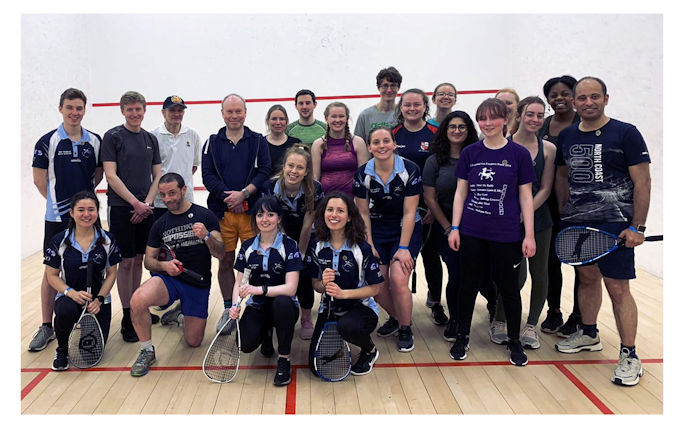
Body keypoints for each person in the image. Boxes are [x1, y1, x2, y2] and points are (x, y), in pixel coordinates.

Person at [554, 77, 651, 386]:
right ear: (574, 102)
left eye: (594, 96)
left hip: (616, 223)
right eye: (581, 98)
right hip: (579, 222)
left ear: (606, 98)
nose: (588, 102)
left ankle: (630, 354)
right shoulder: (567, 135)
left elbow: (643, 182)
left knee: (618, 288)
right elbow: (562, 175)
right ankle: (589, 333)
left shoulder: (626, 133)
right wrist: (563, 213)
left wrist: (637, 226)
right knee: (586, 278)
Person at [448, 98, 536, 366]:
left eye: (493, 118)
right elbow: (461, 192)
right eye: (482, 118)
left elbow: (526, 197)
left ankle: (514, 341)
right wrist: (455, 227)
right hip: (472, 232)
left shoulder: (518, 154)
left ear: (506, 120)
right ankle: (462, 337)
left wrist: (529, 235)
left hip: (507, 234)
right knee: (468, 285)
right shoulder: (470, 153)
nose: (487, 123)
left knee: (509, 289)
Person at [29, 88, 104, 352]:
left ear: (84, 110)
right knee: (52, 271)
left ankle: (87, 316)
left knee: (92, 266)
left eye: (79, 108)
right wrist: (62, 209)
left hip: (87, 218)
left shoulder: (94, 141)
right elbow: (40, 181)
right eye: (70, 107)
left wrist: (82, 210)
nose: (74, 113)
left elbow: (96, 176)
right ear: (60, 108)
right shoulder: (46, 142)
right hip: (57, 218)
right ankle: (46, 326)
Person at [128, 173, 225, 377]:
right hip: (169, 280)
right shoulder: (159, 224)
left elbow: (221, 253)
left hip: (197, 284)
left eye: (172, 193)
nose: (168, 199)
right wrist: (164, 266)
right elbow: (148, 260)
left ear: (184, 190)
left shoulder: (205, 216)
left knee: (193, 342)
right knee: (137, 300)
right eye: (163, 195)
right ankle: (147, 350)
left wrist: (207, 236)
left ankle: (178, 314)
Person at [488, 97, 556, 349]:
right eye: (530, 114)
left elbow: (546, 189)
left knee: (540, 274)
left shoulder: (548, 149)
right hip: (506, 222)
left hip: (539, 221)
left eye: (540, 115)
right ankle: (500, 320)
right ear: (519, 114)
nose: (535, 120)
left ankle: (531, 326)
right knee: (513, 276)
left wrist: (523, 213)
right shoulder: (502, 144)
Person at [422, 111, 497, 341]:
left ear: (469, 130)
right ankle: (456, 320)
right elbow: (430, 198)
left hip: (477, 227)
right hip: (444, 227)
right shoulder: (434, 160)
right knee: (457, 274)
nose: (456, 131)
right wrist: (448, 228)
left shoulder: (479, 156)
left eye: (462, 127)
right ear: (445, 131)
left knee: (483, 274)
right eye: (452, 127)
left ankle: (495, 306)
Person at [201, 93, 272, 333]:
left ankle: (255, 308)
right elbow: (207, 176)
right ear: (222, 114)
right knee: (226, 261)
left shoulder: (258, 140)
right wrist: (228, 196)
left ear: (245, 113)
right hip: (223, 214)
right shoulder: (212, 142)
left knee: (256, 263)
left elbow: (265, 170)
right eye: (229, 112)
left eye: (238, 111)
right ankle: (228, 309)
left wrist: (244, 193)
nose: (234, 116)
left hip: (252, 213)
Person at [353, 127, 422, 352]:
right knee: (378, 284)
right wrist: (369, 244)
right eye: (376, 142)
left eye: (386, 141)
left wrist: (403, 248)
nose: (381, 145)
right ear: (370, 147)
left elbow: (410, 212)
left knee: (399, 278)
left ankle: (404, 328)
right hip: (377, 230)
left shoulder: (410, 169)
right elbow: (363, 213)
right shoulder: (363, 173)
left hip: (405, 228)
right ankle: (398, 316)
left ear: (394, 144)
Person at [101, 90, 162, 342]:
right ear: (122, 111)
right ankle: (127, 315)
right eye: (130, 110)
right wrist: (134, 203)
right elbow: (110, 175)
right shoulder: (113, 137)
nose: (135, 113)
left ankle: (138, 306)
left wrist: (146, 203)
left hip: (145, 208)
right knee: (125, 263)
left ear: (144, 111)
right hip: (121, 208)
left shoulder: (150, 139)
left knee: (139, 261)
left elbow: (157, 175)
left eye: (139, 109)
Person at [306, 191, 384, 376]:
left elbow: (376, 287)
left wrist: (344, 294)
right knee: (316, 368)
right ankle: (340, 337)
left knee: (348, 327)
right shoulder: (316, 244)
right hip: (330, 309)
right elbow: (315, 285)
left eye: (340, 211)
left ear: (349, 217)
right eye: (329, 210)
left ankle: (370, 350)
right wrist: (324, 285)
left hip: (361, 309)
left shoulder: (362, 248)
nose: (334, 215)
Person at [229, 195, 302, 386]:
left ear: (279, 218)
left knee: (283, 303)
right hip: (258, 307)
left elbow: (291, 288)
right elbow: (239, 283)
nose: (265, 219)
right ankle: (267, 333)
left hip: (284, 305)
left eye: (270, 214)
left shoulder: (290, 245)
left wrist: (259, 289)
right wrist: (235, 305)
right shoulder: (247, 247)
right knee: (245, 344)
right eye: (260, 214)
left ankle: (284, 359)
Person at [44, 191, 120, 371]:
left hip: (97, 302)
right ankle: (62, 349)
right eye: (81, 210)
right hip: (70, 297)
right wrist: (70, 292)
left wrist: (99, 299)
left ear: (97, 211)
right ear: (71, 213)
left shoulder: (108, 239)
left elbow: (111, 274)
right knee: (64, 310)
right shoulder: (59, 241)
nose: (86, 214)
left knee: (88, 357)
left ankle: (87, 321)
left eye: (91, 209)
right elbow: (51, 276)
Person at [392, 89, 445, 325]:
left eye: (417, 105)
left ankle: (435, 301)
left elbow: (441, 170)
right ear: (401, 107)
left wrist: (434, 209)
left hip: (429, 208)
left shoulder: (435, 133)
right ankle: (397, 312)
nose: (412, 109)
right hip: (399, 209)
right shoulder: (393, 134)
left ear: (425, 106)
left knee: (431, 257)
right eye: (407, 105)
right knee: (400, 260)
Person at [262, 145, 324, 340]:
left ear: (306, 171)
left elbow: (308, 223)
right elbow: (271, 220)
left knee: (304, 272)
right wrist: (282, 249)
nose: (294, 171)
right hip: (278, 234)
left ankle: (306, 317)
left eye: (299, 168)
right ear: (284, 166)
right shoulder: (270, 187)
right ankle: (272, 318)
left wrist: (300, 254)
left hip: (306, 236)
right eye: (290, 166)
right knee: (276, 270)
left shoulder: (315, 188)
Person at [538, 75, 583, 336]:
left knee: (580, 264)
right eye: (553, 95)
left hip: (578, 207)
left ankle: (579, 315)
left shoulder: (583, 125)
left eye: (565, 93)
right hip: (547, 206)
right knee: (550, 262)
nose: (559, 99)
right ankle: (553, 311)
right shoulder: (542, 126)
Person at [150, 95, 202, 221]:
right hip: (160, 201)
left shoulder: (192, 134)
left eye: (180, 110)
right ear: (163, 112)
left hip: (185, 199)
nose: (176, 114)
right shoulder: (152, 136)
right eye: (172, 110)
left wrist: (179, 186)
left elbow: (193, 166)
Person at [311, 102, 369, 197]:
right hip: (326, 202)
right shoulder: (318, 145)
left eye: (341, 116)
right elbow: (315, 179)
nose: (337, 120)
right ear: (326, 118)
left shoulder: (358, 142)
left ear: (347, 118)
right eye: (333, 116)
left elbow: (363, 178)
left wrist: (358, 203)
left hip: (352, 202)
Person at [354, 66, 402, 142]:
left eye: (393, 85)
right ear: (378, 88)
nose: (389, 90)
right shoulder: (365, 116)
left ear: (398, 88)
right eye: (385, 86)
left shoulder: (403, 114)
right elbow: (358, 145)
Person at [265, 104, 302, 172]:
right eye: (274, 119)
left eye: (281, 119)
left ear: (286, 121)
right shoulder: (260, 143)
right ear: (267, 121)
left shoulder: (296, 143)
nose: (278, 122)